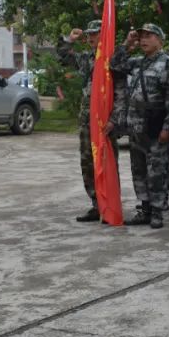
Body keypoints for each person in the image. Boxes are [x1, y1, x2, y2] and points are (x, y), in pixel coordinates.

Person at [110, 23, 169, 229]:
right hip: (135, 126)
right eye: (141, 37)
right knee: (138, 169)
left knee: (156, 170)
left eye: (149, 36)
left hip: (155, 125)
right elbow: (114, 64)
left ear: (160, 40)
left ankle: (158, 210)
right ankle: (145, 207)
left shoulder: (167, 64)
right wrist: (127, 42)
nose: (144, 40)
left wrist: (168, 127)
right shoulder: (137, 62)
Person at [58, 20, 122, 222]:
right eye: (89, 34)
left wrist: (114, 119)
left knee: (108, 164)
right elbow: (64, 57)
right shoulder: (87, 58)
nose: (91, 37)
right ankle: (96, 203)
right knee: (88, 163)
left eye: (96, 33)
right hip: (87, 121)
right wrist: (69, 40)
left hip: (105, 123)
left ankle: (110, 204)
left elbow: (121, 94)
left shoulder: (114, 59)